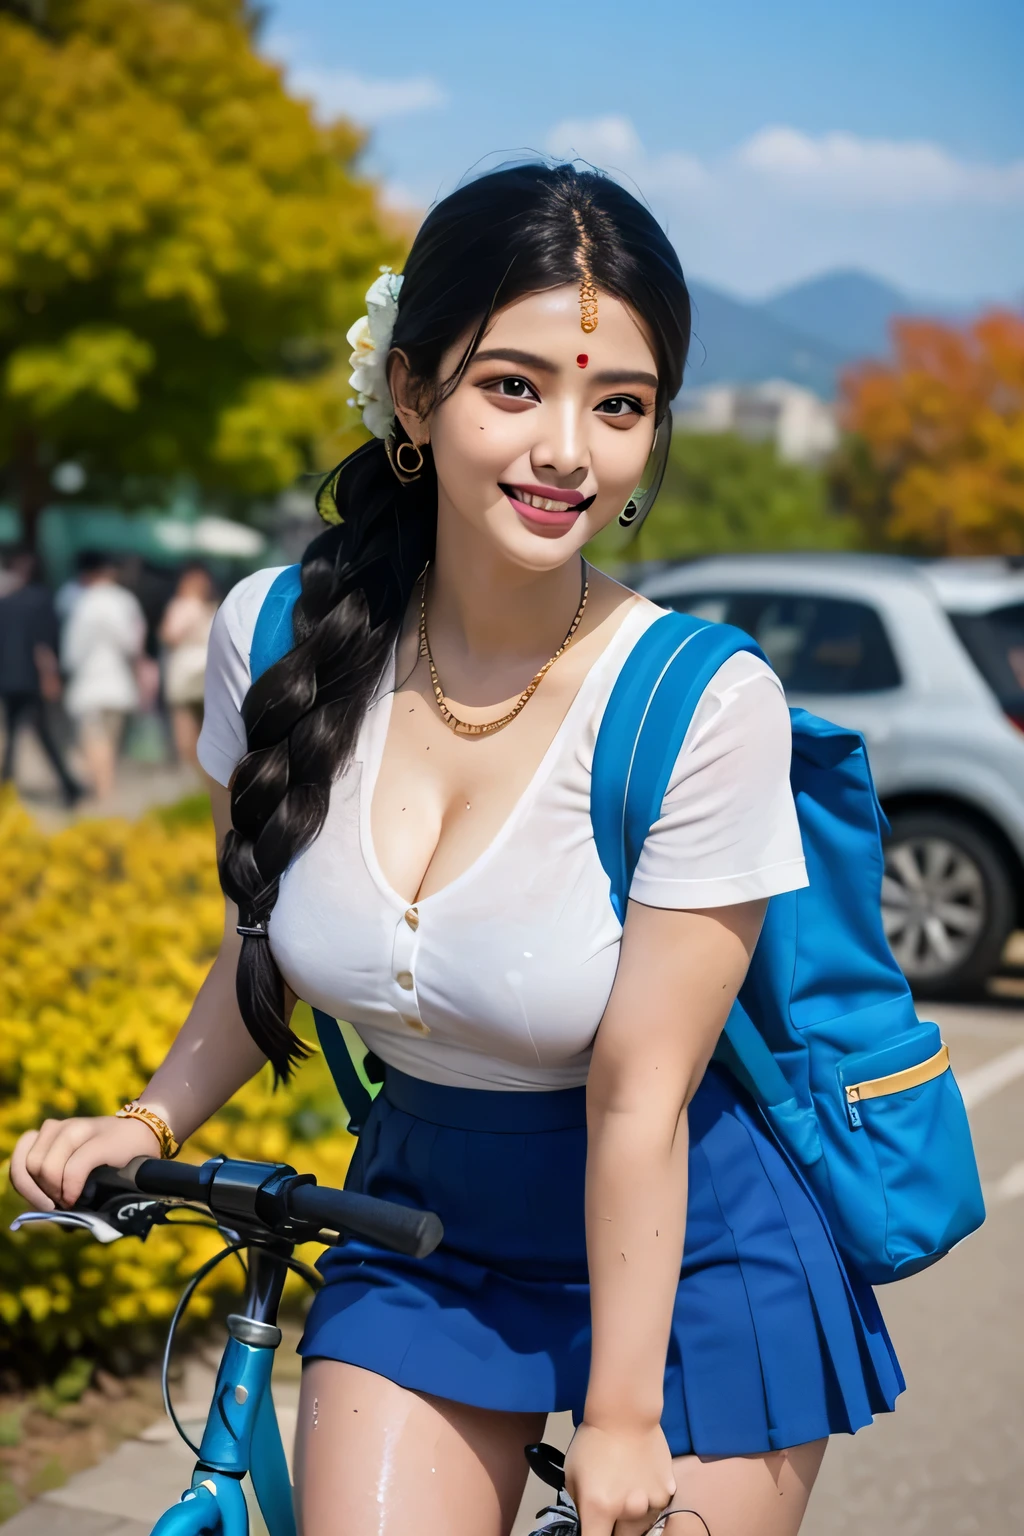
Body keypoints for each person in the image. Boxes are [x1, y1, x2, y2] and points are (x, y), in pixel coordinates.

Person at [11, 165, 903, 1536]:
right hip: (422, 1223)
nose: (568, 450)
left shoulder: (702, 704)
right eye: (513, 386)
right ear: (414, 395)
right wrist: (141, 1124)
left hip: (692, 1247)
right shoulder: (276, 640)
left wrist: (619, 1419)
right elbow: (258, 954)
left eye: (618, 405)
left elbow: (638, 1100)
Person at [60, 550, 146, 801]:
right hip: (120, 685)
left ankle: (103, 793)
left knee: (95, 741)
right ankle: (108, 790)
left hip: (89, 685)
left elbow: (72, 651)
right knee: (111, 742)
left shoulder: (82, 601)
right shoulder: (126, 601)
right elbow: (133, 643)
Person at [0, 548, 83, 806]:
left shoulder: (6, 601)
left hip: (7, 677)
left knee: (15, 731)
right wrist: (51, 677)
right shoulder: (41, 599)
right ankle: (68, 786)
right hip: (30, 677)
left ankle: (7, 785)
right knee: (40, 731)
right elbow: (43, 645)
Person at [158, 563, 218, 768]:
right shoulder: (212, 609)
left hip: (185, 673)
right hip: (209, 672)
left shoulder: (181, 607)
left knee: (185, 723)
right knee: (205, 725)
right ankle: (203, 768)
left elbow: (168, 636)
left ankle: (192, 767)